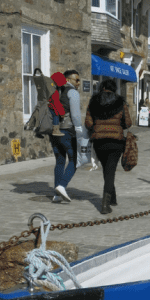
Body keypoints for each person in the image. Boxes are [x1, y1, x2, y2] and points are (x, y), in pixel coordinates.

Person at [85, 78, 132, 214]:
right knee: (110, 170)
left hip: (99, 141)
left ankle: (113, 198)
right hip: (115, 141)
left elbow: (88, 122)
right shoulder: (120, 102)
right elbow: (128, 123)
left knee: (107, 169)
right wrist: (118, 125)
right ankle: (105, 204)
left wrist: (96, 126)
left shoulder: (94, 101)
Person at [50, 69, 83, 202]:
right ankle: (62, 186)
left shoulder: (56, 92)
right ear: (68, 80)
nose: (79, 83)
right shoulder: (72, 93)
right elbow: (75, 115)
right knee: (74, 160)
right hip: (67, 131)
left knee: (60, 161)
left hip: (53, 132)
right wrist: (80, 129)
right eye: (77, 80)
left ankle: (57, 195)